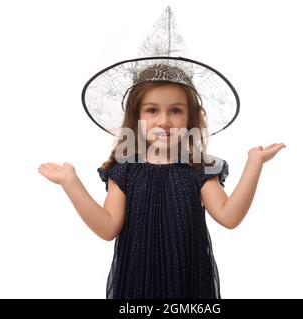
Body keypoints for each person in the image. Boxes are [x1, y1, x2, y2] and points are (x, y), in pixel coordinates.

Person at [38, 7, 286, 299]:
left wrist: (254, 164)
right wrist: (71, 182)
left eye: (176, 111)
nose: (164, 121)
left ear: (191, 118)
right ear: (137, 117)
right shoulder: (125, 169)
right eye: (152, 110)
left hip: (189, 287)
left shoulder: (199, 169)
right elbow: (107, 227)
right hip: (136, 287)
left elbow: (229, 217)